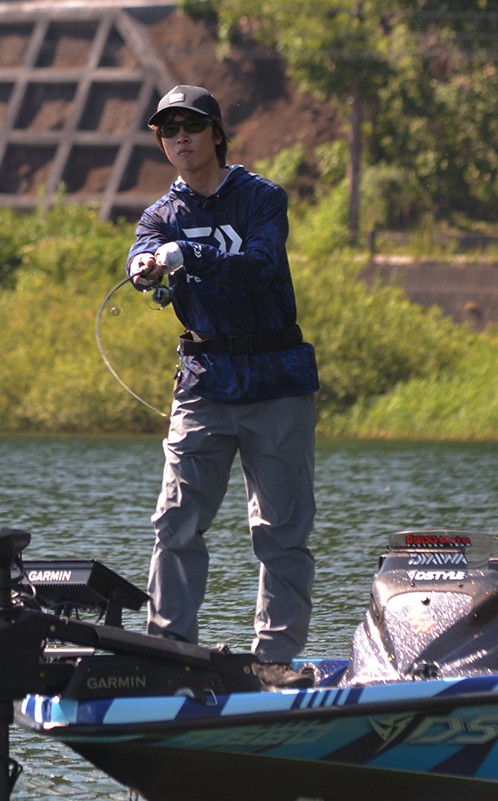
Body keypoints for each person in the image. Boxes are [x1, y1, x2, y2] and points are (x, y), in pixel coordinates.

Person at [126, 85, 319, 691]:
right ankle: (169, 651)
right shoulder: (160, 216)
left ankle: (274, 660)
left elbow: (260, 265)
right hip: (204, 386)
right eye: (167, 130)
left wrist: (186, 257)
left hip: (277, 380)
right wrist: (144, 266)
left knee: (280, 531)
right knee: (176, 524)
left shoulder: (261, 198)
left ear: (215, 134)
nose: (179, 138)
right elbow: (140, 258)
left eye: (190, 126)